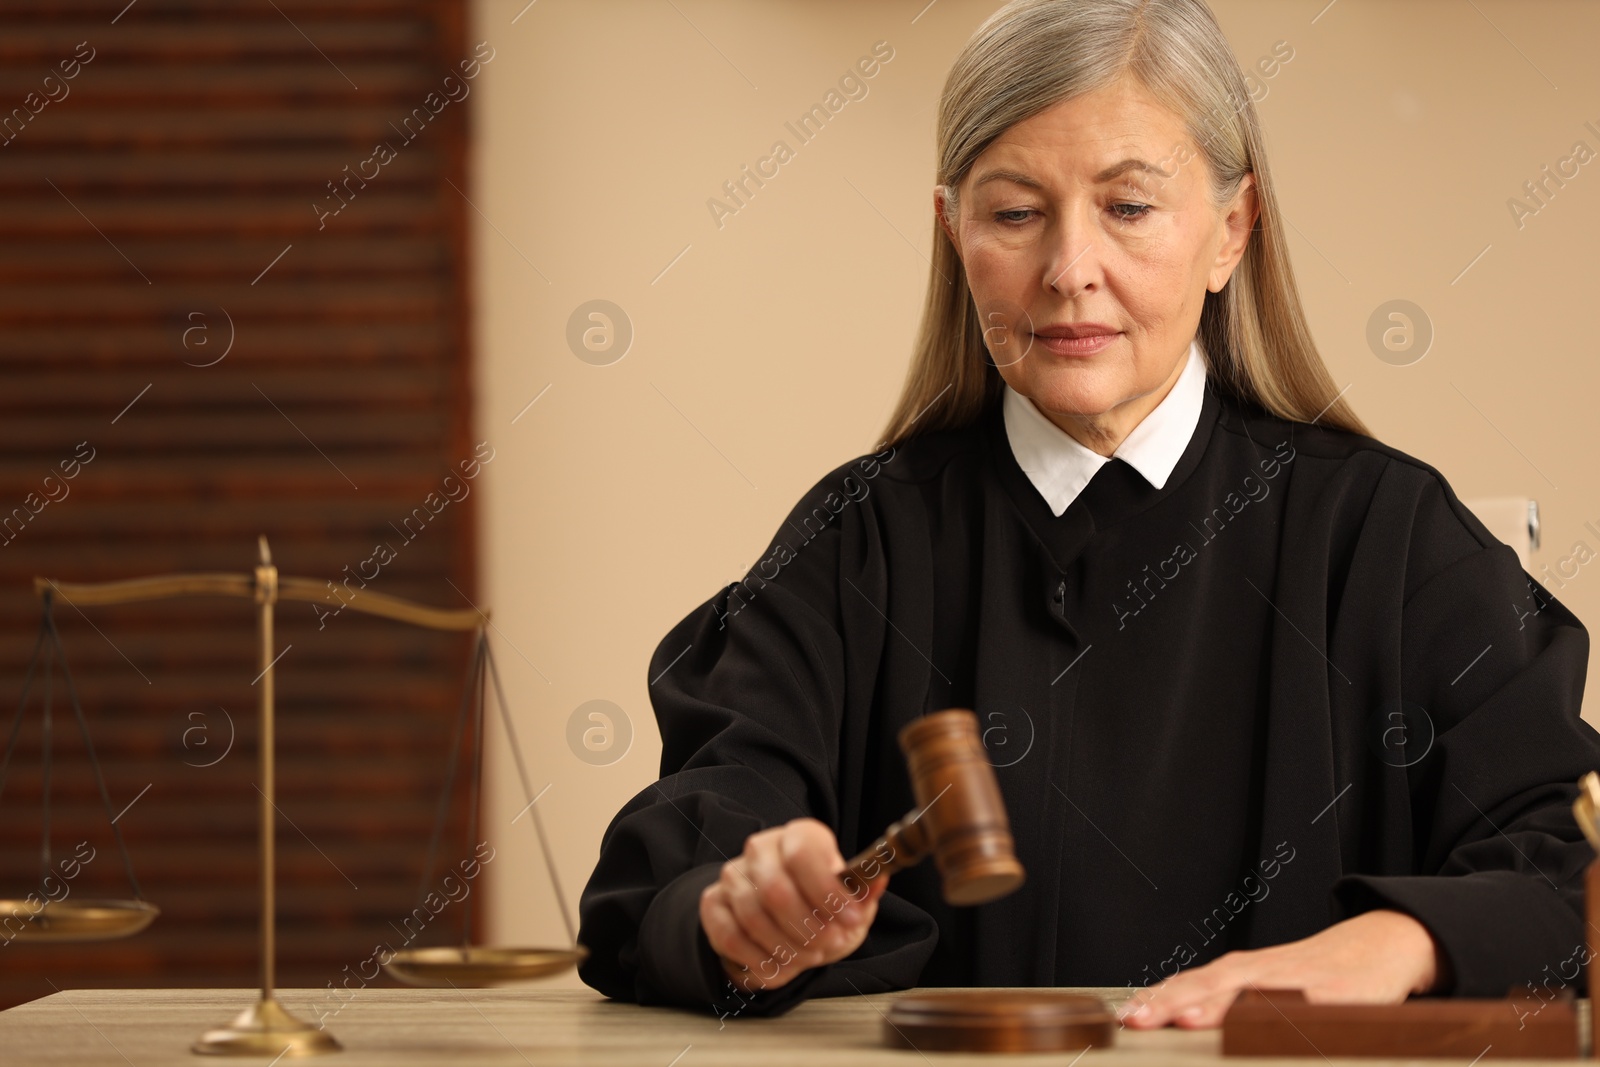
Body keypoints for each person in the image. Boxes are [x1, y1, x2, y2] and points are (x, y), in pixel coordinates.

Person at [577, 0, 1600, 1030]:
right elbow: (669, 868)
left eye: (1128, 207)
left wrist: (1400, 942)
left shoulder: (1385, 536)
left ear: (1231, 230)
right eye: (1014, 213)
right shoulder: (859, 545)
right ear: (952, 230)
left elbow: (1569, 854)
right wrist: (738, 915)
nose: (1069, 270)